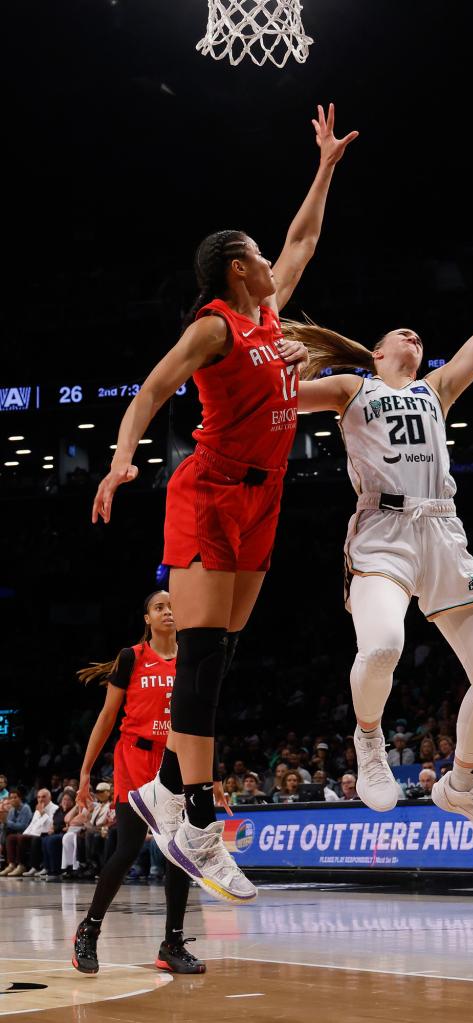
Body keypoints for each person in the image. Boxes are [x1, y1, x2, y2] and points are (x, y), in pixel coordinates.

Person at [91, 105, 357, 903]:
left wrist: (325, 165)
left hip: (265, 496)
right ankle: (199, 822)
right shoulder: (214, 328)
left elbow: (305, 238)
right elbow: (150, 388)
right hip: (207, 490)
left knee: (224, 655)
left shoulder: (271, 314)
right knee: (202, 654)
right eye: (260, 255)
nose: (276, 260)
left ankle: (167, 790)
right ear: (238, 268)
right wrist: (119, 462)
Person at [286, 238, 473, 839]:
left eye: (420, 336)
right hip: (382, 531)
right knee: (384, 645)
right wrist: (271, 361)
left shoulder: (434, 391)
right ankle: (368, 743)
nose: (414, 339)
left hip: (443, 531)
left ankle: (462, 786)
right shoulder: (351, 390)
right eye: (402, 334)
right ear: (378, 353)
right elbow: (273, 401)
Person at [71, 590, 206, 976]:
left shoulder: (191, 660)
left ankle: (172, 943)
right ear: (147, 618)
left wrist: (210, 776)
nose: (167, 611)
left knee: (177, 852)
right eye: (159, 607)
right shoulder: (132, 657)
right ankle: (89, 929)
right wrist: (85, 771)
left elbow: (201, 725)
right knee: (127, 848)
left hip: (175, 761)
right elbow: (107, 715)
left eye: (172, 606)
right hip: (133, 759)